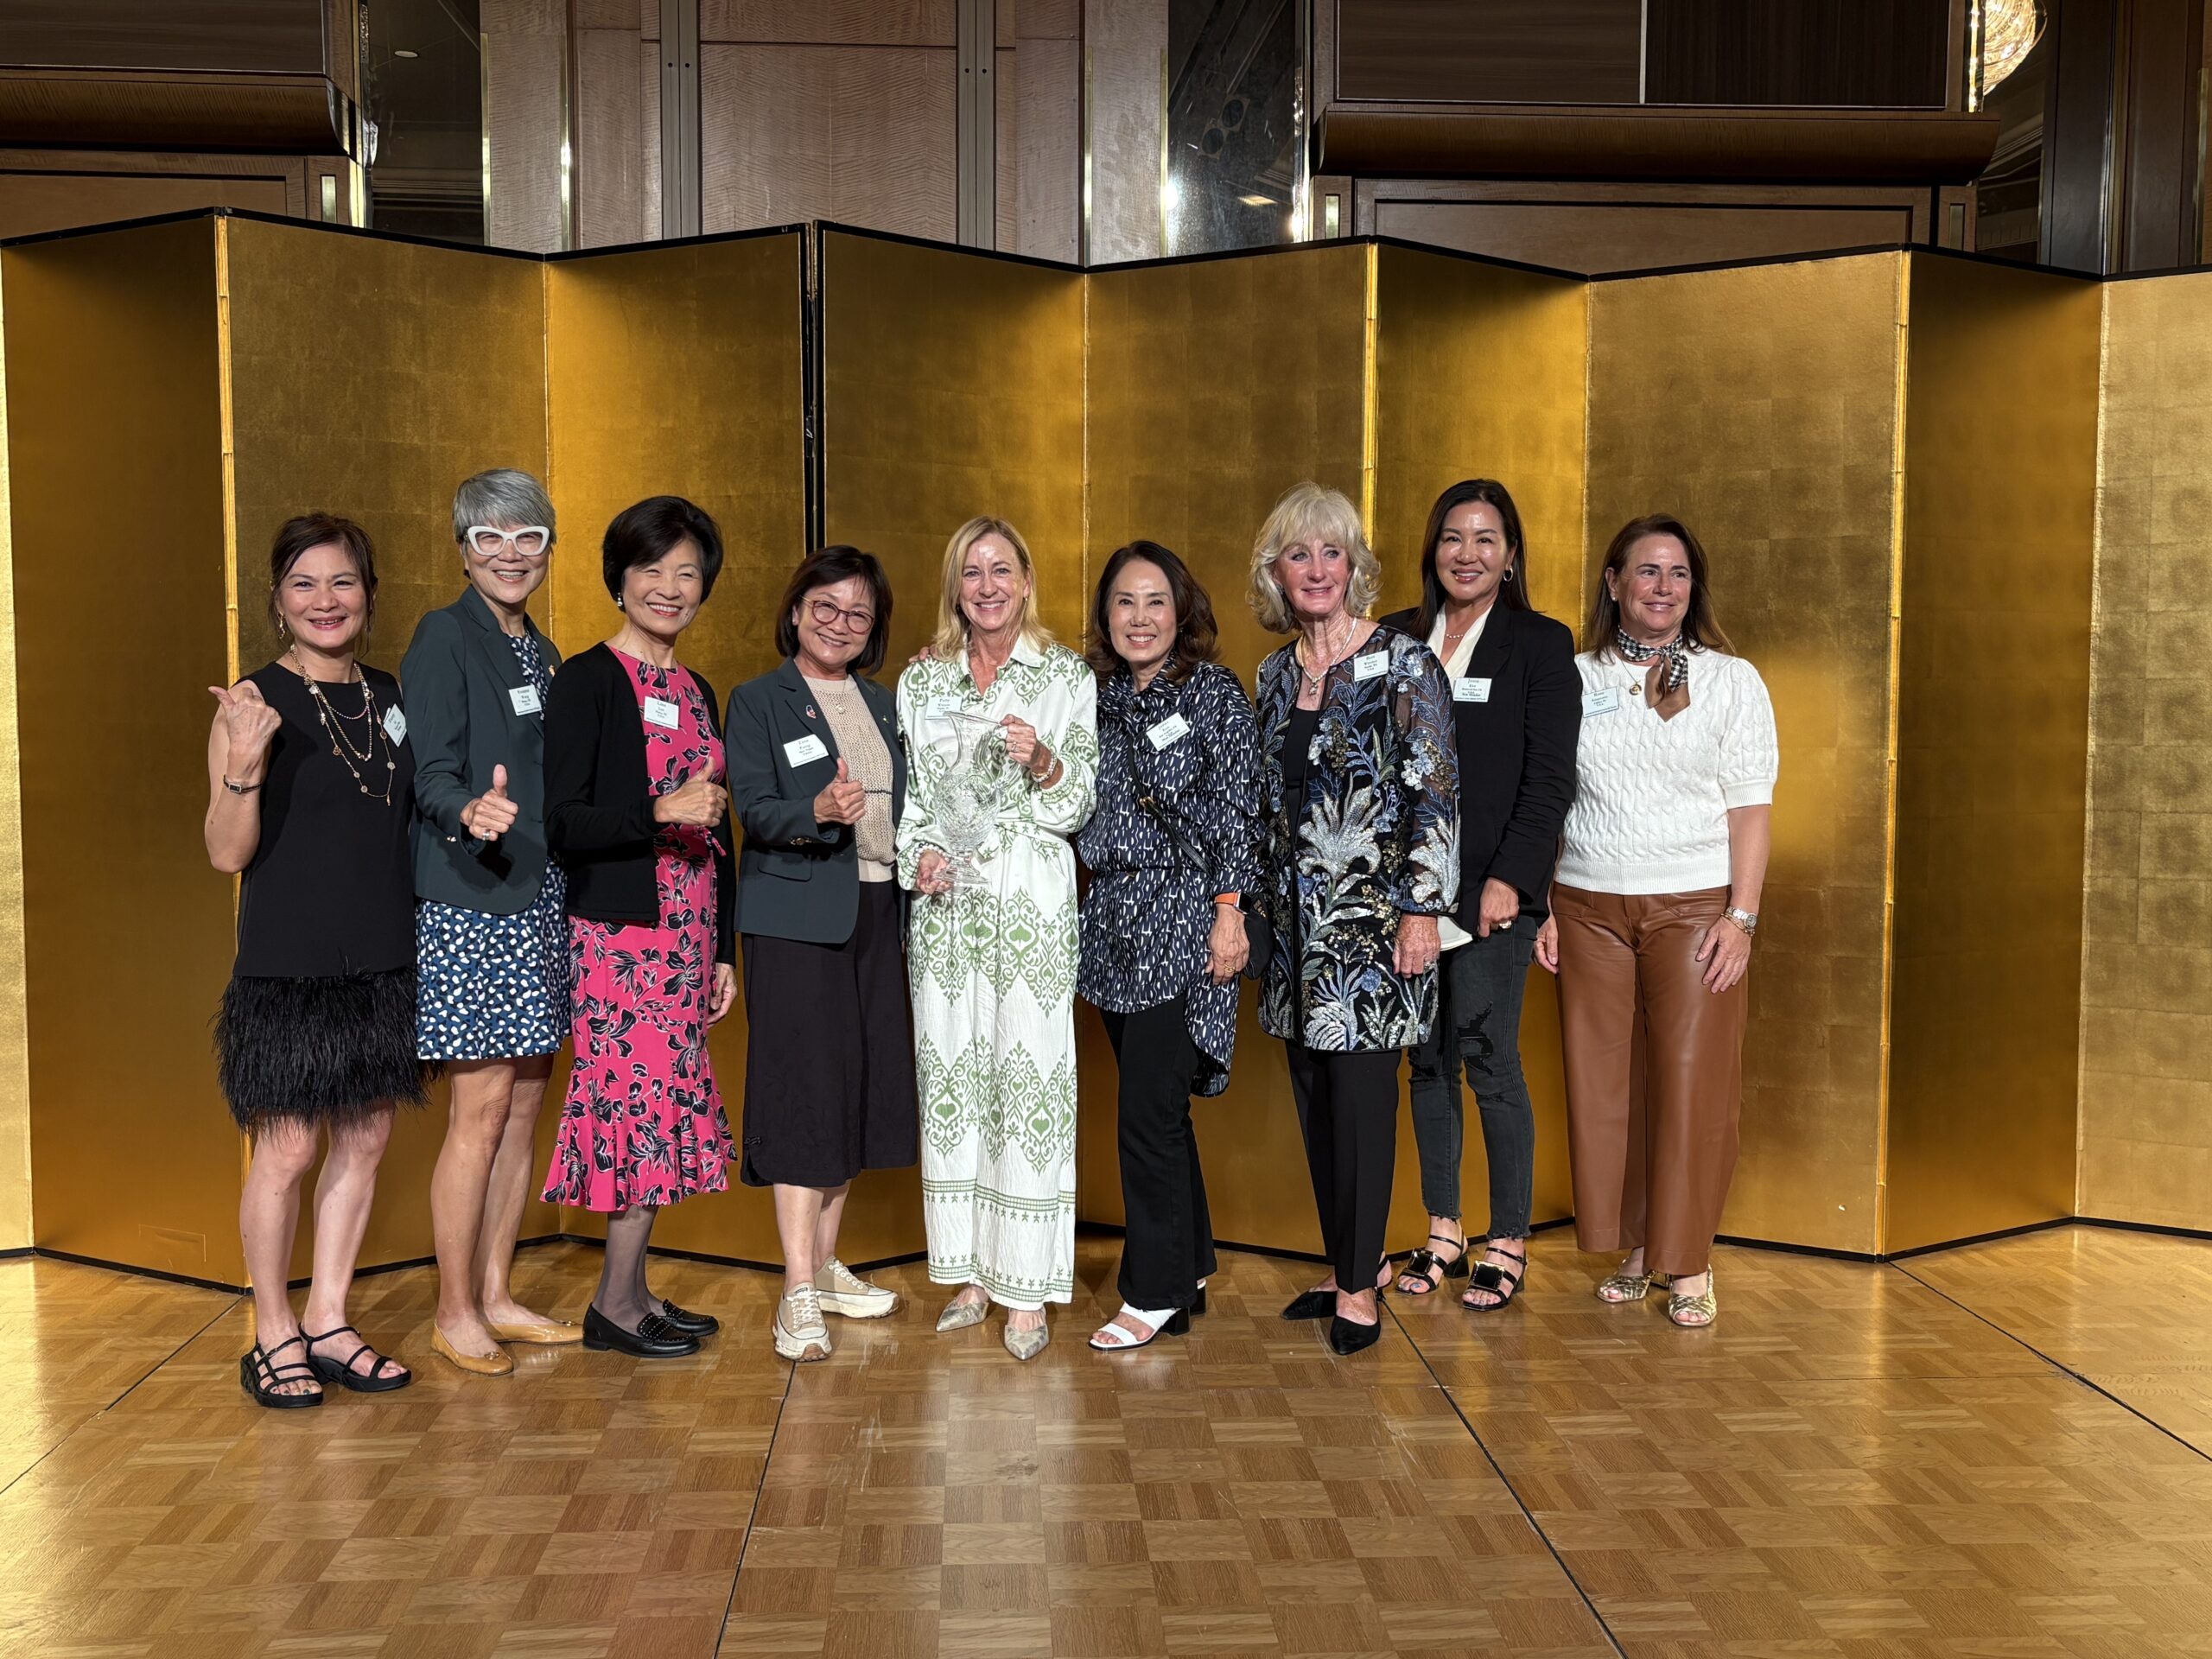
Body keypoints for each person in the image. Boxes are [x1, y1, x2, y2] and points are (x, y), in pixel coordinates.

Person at [1535, 513, 1776, 1329]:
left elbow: (1750, 809)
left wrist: (1741, 917)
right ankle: (1639, 1246)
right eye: (1647, 570)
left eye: (1677, 573)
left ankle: (1689, 1258)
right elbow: (1549, 797)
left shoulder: (1732, 681)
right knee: (1608, 1087)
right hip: (1586, 905)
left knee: (1690, 1082)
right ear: (1614, 583)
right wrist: (1545, 904)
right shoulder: (1572, 677)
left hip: (1695, 906)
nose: (1663, 587)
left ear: (1693, 587)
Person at [207, 514, 423, 1408]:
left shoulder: (390, 694)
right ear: (277, 600)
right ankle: (273, 1331)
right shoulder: (251, 702)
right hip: (290, 963)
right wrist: (244, 761)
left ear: (368, 594)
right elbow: (226, 852)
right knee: (289, 1149)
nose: (325, 600)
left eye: (342, 581)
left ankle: (329, 1320)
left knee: (365, 1140)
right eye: (304, 583)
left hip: (382, 956)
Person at [1249, 482, 1458, 1357]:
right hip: (1295, 940)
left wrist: (1422, 911)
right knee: (1317, 1105)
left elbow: (1436, 792)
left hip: (1374, 933)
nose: (1316, 568)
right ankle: (1347, 1266)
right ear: (1275, 573)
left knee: (1363, 1111)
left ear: (1354, 566)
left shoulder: (1406, 663)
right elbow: (1262, 807)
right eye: (1298, 554)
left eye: (1330, 551)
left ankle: (1362, 1289)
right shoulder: (1273, 677)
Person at [541, 495, 739, 1358]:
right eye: (650, 569)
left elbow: (719, 826)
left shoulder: (695, 689)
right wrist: (659, 809)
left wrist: (723, 950)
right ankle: (613, 1307)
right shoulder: (587, 680)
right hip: (619, 938)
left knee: (660, 1108)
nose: (669, 587)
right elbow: (561, 821)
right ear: (618, 579)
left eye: (686, 573)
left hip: (687, 934)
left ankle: (632, 1291)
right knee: (636, 1112)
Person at [897, 516, 1097, 1361]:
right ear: (956, 586)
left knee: (1027, 1084)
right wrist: (920, 856)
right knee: (955, 1083)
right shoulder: (923, 681)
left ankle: (1025, 1290)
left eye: (1001, 570)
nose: (987, 586)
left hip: (1030, 905)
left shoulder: (1064, 674)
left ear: (1025, 581)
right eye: (972, 572)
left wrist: (1043, 760)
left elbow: (1077, 805)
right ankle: (971, 1274)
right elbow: (912, 801)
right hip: (948, 913)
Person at [1380, 480, 1579, 1310]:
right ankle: (1443, 1232)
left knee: (1490, 1057)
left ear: (1511, 555)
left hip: (1493, 888)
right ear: (1433, 549)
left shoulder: (1540, 643)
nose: (1467, 554)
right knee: (1425, 1062)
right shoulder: (1393, 636)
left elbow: (1550, 779)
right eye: (1453, 538)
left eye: (1486, 539)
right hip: (1407, 893)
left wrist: (1512, 880)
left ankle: (1508, 1237)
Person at [403, 468, 575, 1377]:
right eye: (490, 537)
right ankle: (454, 1309)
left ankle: (499, 1292)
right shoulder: (445, 635)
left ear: (548, 547)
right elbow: (429, 771)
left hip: (539, 898)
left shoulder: (543, 652)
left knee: (523, 1107)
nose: (510, 554)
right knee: (479, 1111)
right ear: (463, 550)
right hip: (473, 901)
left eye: (527, 536)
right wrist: (466, 810)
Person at [726, 546, 916, 1363]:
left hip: (878, 910)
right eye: (826, 607)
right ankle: (797, 1290)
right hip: (796, 920)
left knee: (852, 1090)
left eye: (858, 614)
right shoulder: (757, 700)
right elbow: (754, 809)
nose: (840, 624)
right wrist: (817, 810)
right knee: (804, 1096)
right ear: (797, 611)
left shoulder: (882, 703)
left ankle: (828, 1268)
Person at [1077, 542, 1258, 1353]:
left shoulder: (1213, 693)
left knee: (1146, 1116)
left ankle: (1152, 1293)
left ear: (1182, 613)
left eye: (1156, 601)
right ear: (1105, 615)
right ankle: (1189, 1265)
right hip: (1113, 924)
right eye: (1125, 601)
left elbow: (1241, 810)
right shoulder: (1095, 698)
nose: (1140, 617)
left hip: (1187, 916)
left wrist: (1230, 912)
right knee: (1161, 1112)